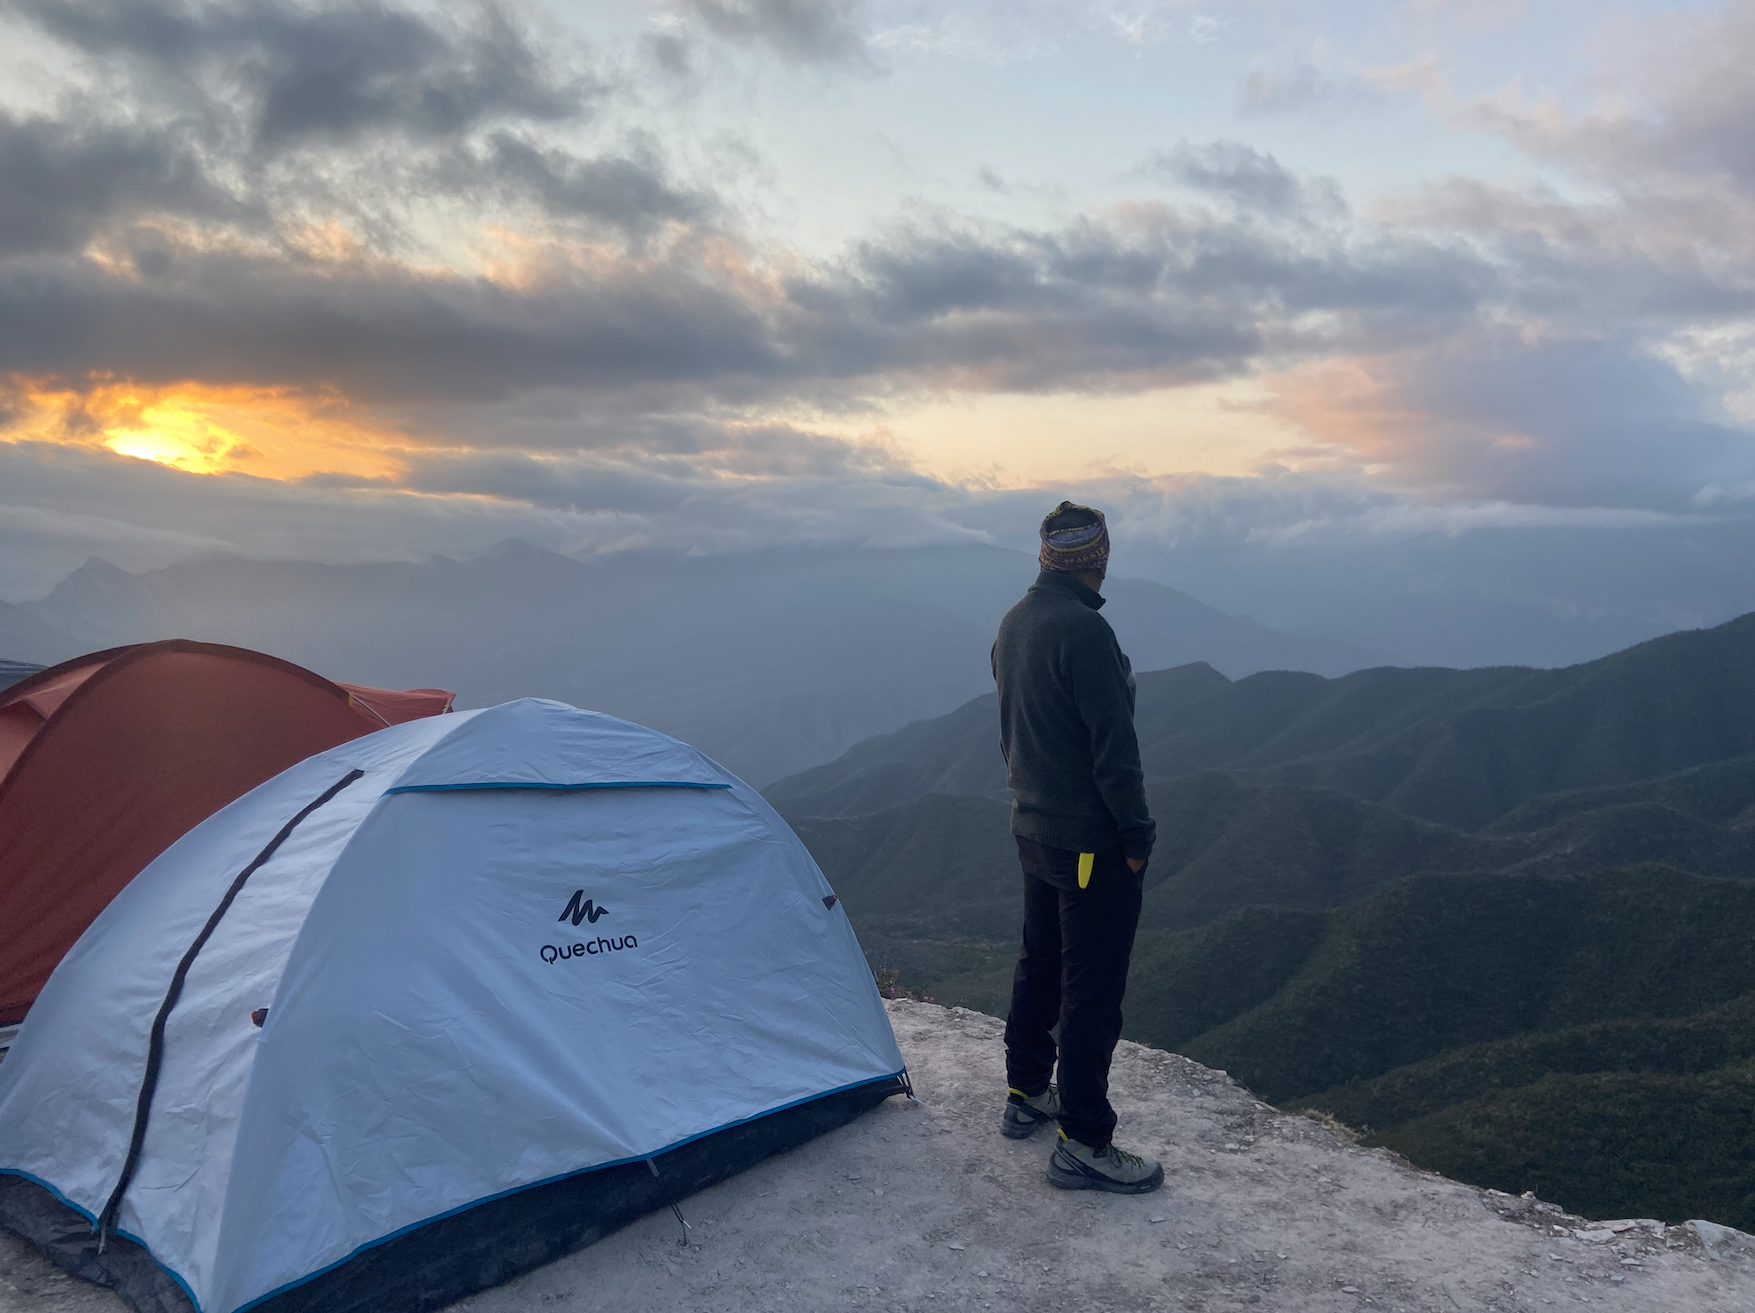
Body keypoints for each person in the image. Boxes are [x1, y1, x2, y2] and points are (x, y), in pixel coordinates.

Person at [990, 500, 1162, 1194]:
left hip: (1031, 827)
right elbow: (1113, 750)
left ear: (1041, 556)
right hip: (1088, 841)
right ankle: (1085, 1141)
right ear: (1102, 555)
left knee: (1042, 962)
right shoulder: (1084, 632)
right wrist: (1136, 836)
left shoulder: (1016, 621)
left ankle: (1027, 1089)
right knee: (1092, 992)